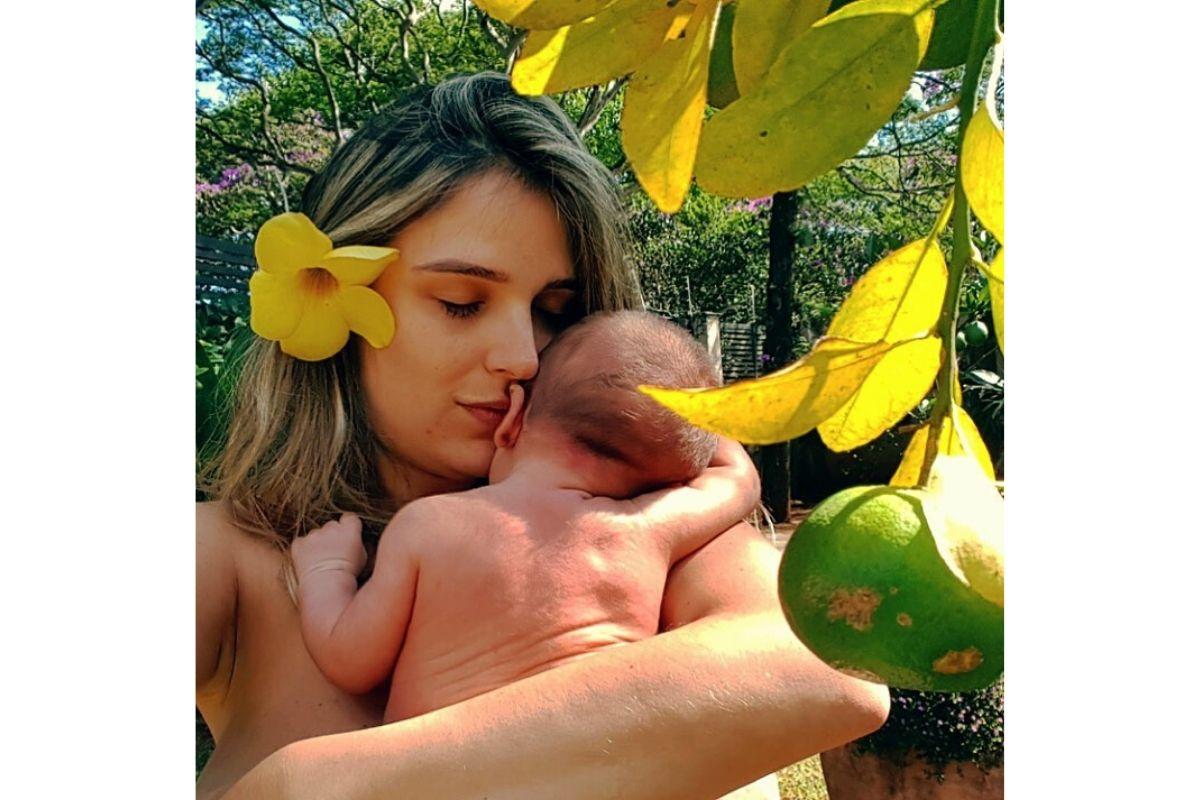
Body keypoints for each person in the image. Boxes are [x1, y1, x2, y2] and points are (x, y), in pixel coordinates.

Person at [196, 71, 889, 800]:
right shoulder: (228, 556)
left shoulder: (661, 532)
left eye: (557, 311)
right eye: (461, 302)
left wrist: (311, 782)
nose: (523, 356)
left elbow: (831, 676)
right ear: (335, 303)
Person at [291, 310, 761, 723]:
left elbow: (349, 660)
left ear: (512, 417)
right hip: (595, 768)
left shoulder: (429, 525)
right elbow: (739, 478)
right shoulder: (648, 529)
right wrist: (684, 417)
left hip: (442, 773)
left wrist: (326, 568)